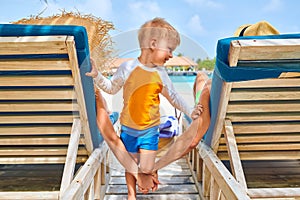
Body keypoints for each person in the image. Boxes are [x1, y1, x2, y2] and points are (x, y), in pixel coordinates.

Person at [87, 17, 203, 199]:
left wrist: (190, 111)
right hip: (128, 128)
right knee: (131, 163)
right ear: (153, 43)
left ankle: (149, 174)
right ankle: (131, 194)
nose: (171, 55)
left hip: (150, 130)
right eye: (170, 49)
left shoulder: (161, 74)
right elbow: (111, 88)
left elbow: (174, 97)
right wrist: (97, 76)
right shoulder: (128, 68)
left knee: (147, 167)